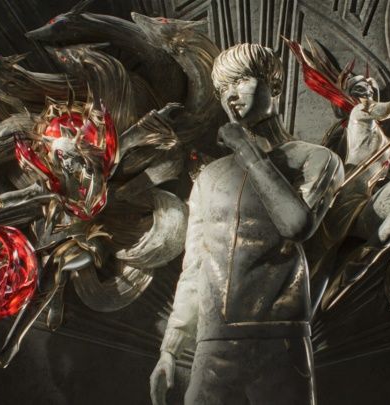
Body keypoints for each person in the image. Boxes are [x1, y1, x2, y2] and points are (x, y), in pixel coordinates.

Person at [149, 43, 344, 405]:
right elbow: (194, 267)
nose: (231, 96)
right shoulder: (209, 177)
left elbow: (296, 224)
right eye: (223, 89)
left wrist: (247, 151)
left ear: (275, 85)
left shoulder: (316, 159)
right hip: (213, 345)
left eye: (241, 81)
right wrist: (170, 350)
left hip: (279, 344)